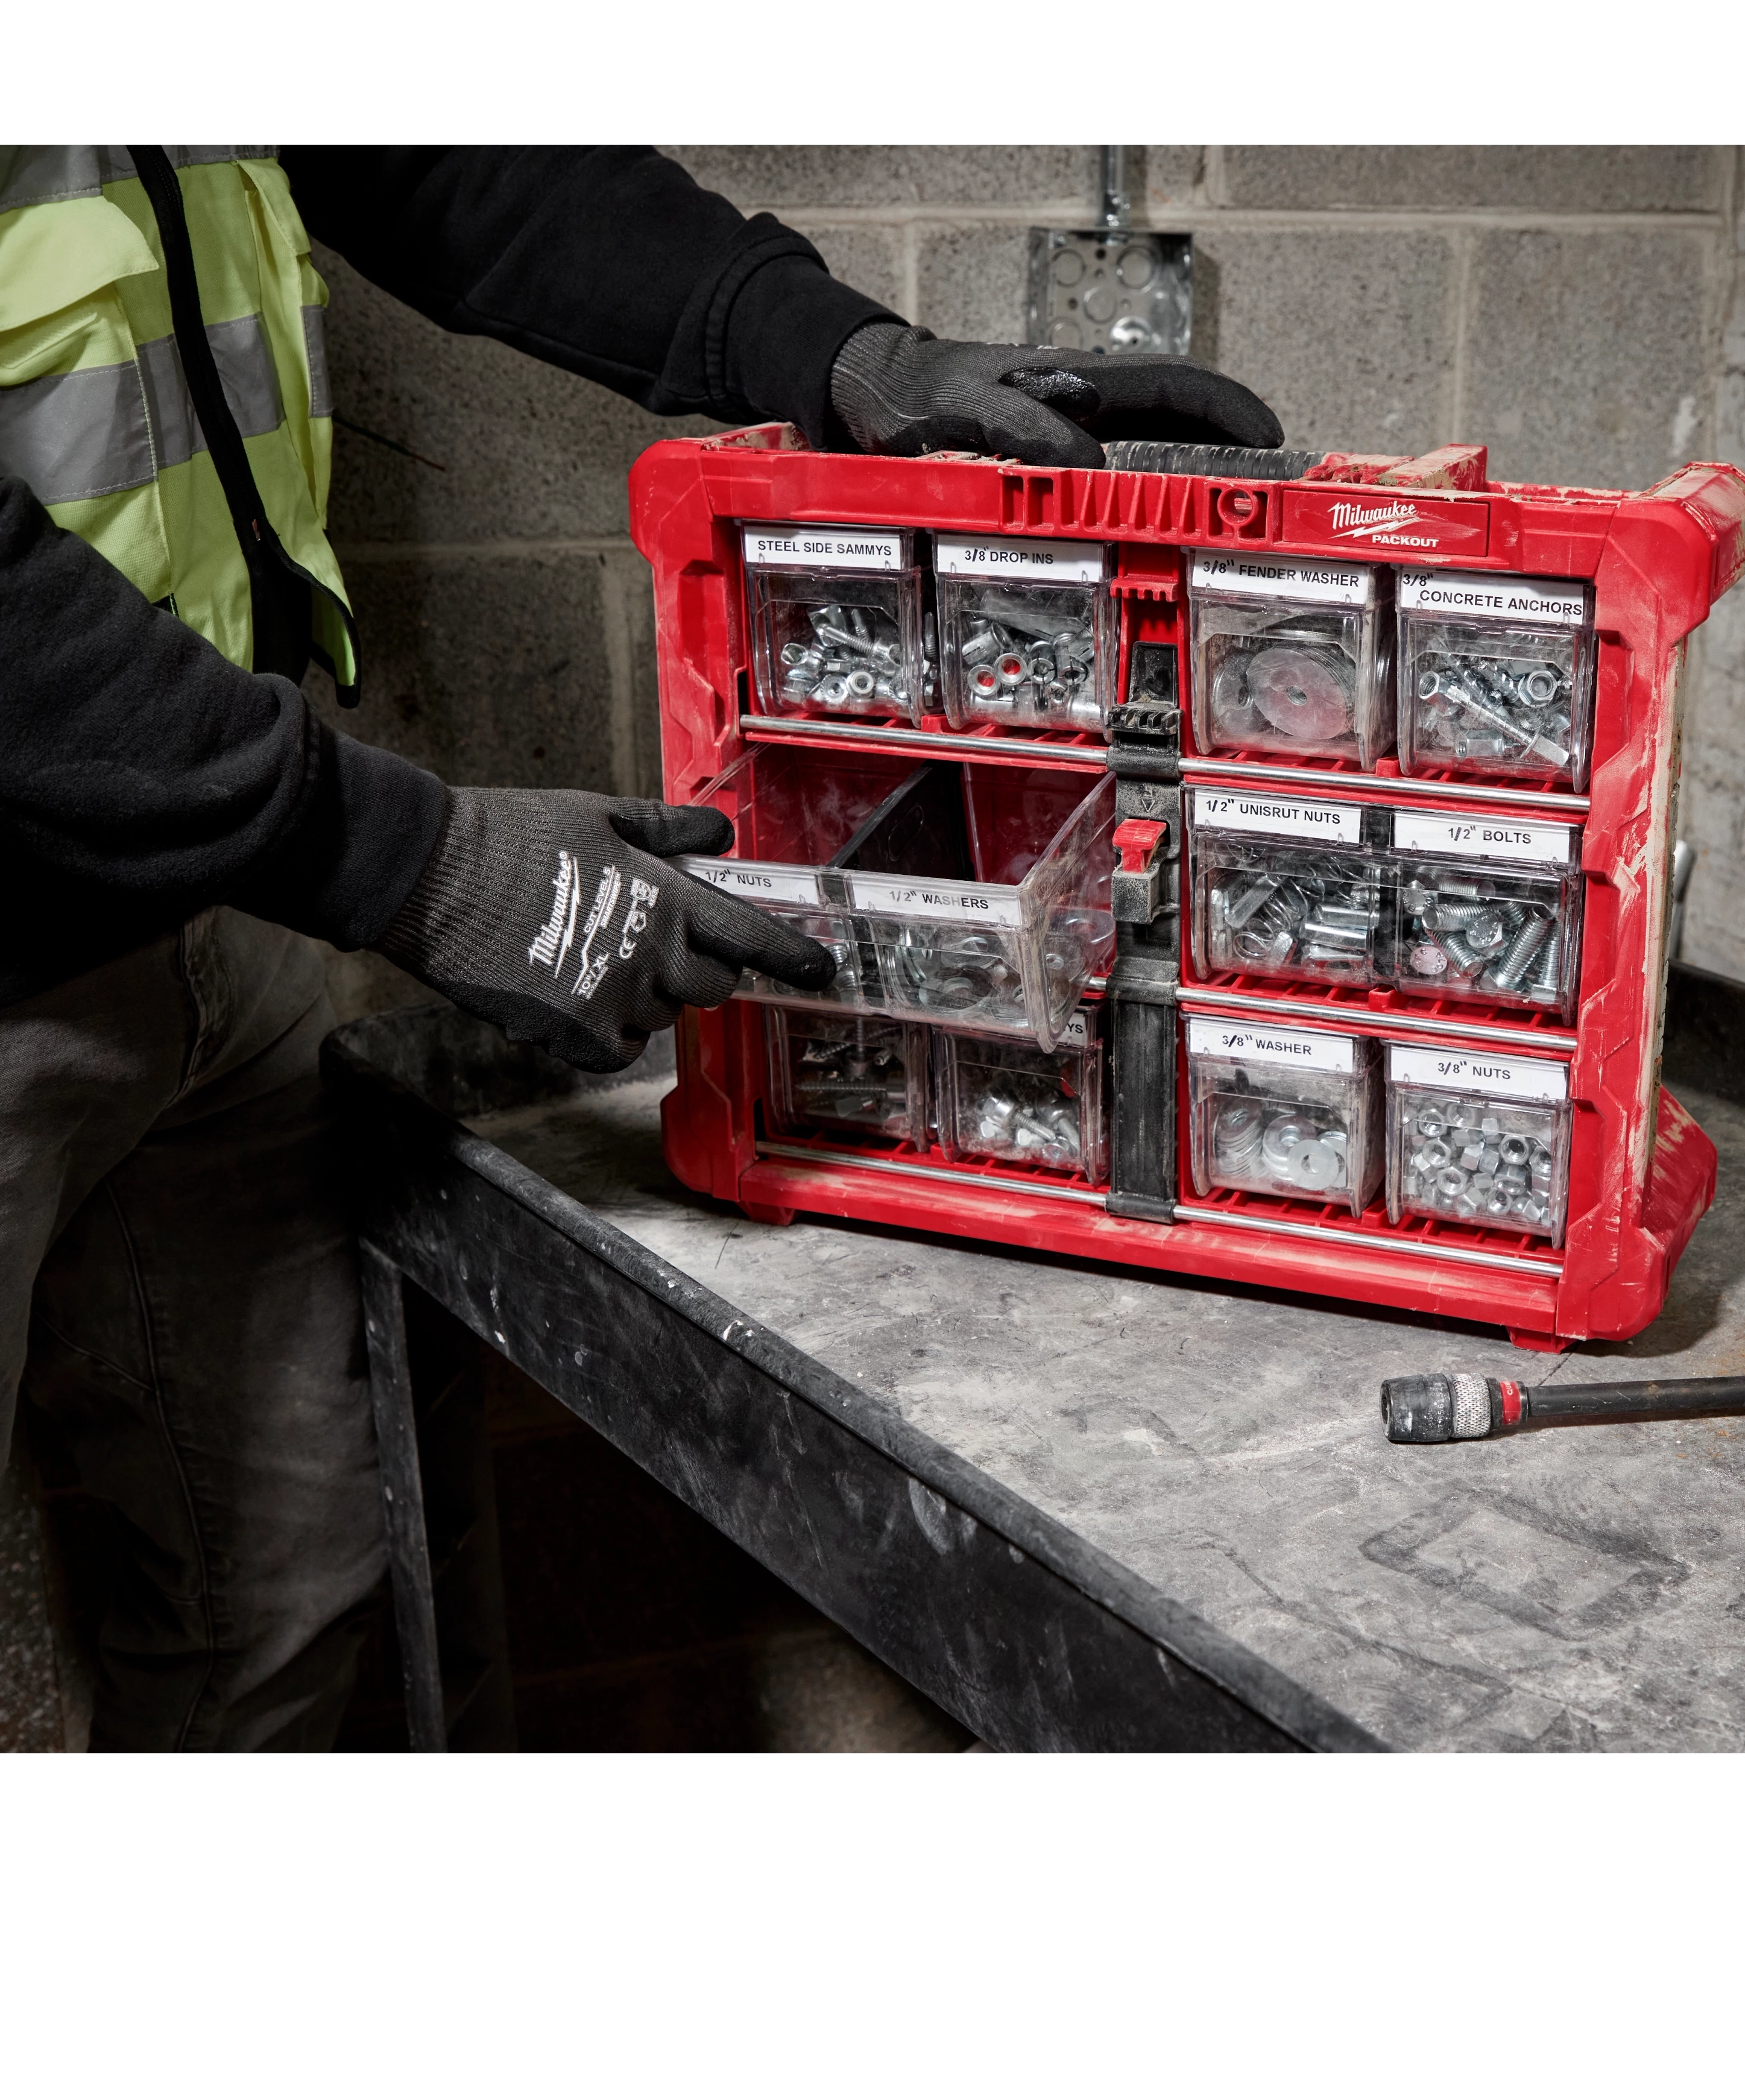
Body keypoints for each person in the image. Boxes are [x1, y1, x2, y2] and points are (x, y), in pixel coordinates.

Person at [0, 142, 1281, 1751]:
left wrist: (828, 351)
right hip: (122, 899)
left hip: (209, 897)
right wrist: (420, 862)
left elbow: (455, 173)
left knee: (273, 1623)